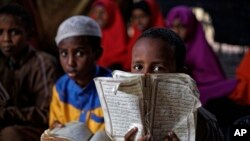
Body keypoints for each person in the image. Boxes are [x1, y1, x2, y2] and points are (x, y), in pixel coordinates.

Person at [124, 27, 224, 141]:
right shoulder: (129, 114)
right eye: (138, 67)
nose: (145, 75)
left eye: (158, 68)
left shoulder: (198, 124)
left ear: (181, 75)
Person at [0, 3, 60, 141]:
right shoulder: (3, 61)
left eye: (14, 32)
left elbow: (47, 114)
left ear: (29, 33)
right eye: (0, 32)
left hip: (36, 128)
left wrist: (8, 113)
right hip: (8, 123)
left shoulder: (43, 63)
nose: (6, 39)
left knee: (10, 134)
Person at [49, 15, 112, 134]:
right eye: (64, 54)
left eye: (79, 53)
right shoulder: (61, 88)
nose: (70, 62)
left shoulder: (112, 88)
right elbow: (54, 126)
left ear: (97, 53)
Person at [166, 6, 237, 105]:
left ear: (191, 26)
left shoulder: (201, 49)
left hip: (199, 86)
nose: (177, 31)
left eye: (182, 26)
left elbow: (211, 78)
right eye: (173, 26)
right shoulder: (167, 45)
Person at [125, 0, 165, 71]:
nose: (138, 21)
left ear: (152, 16)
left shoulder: (162, 40)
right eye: (135, 17)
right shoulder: (134, 37)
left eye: (142, 16)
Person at [89, 0, 127, 70]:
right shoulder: (89, 38)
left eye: (102, 12)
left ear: (111, 14)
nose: (98, 16)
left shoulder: (126, 41)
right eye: (95, 12)